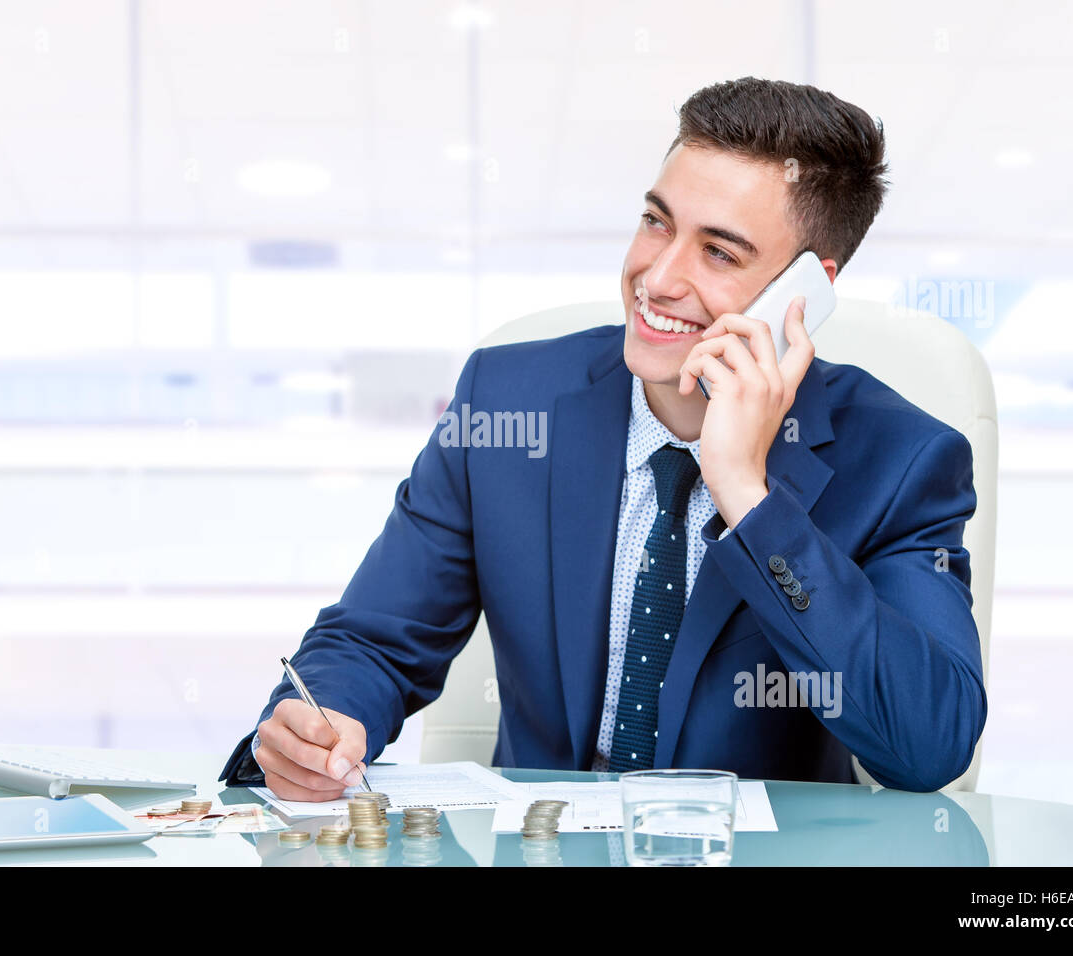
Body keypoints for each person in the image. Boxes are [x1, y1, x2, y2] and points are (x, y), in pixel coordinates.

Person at [220, 76, 986, 798]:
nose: (657, 278)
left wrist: (749, 496)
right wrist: (324, 723)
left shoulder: (902, 459)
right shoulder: (507, 402)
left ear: (806, 291)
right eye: (657, 223)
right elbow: (376, 639)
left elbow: (927, 744)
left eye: (719, 252)